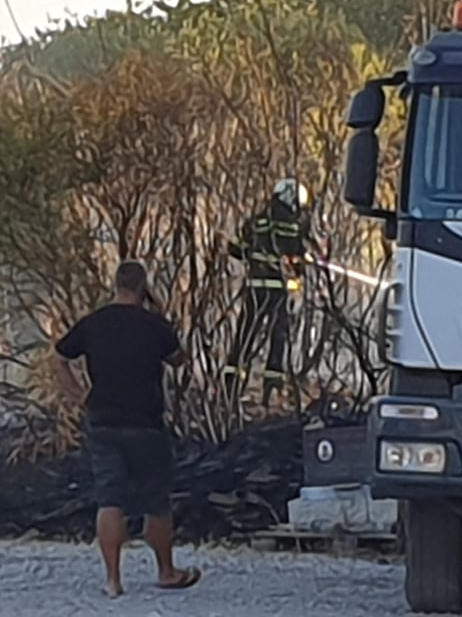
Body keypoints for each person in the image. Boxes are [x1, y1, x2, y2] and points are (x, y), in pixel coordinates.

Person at [54, 260, 201, 598]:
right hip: (146, 423)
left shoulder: (94, 323)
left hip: (103, 419)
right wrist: (161, 312)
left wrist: (78, 394)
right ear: (142, 287)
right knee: (156, 500)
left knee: (109, 498)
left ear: (115, 285)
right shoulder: (154, 325)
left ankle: (113, 580)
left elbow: (60, 356)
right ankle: (165, 571)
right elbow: (180, 359)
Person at [223, 177, 310, 408]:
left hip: (254, 287)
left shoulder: (256, 221)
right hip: (276, 289)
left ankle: (230, 384)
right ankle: (271, 389)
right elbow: (297, 258)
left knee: (245, 335)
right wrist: (301, 265)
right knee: (278, 337)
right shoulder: (291, 224)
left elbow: (237, 250)